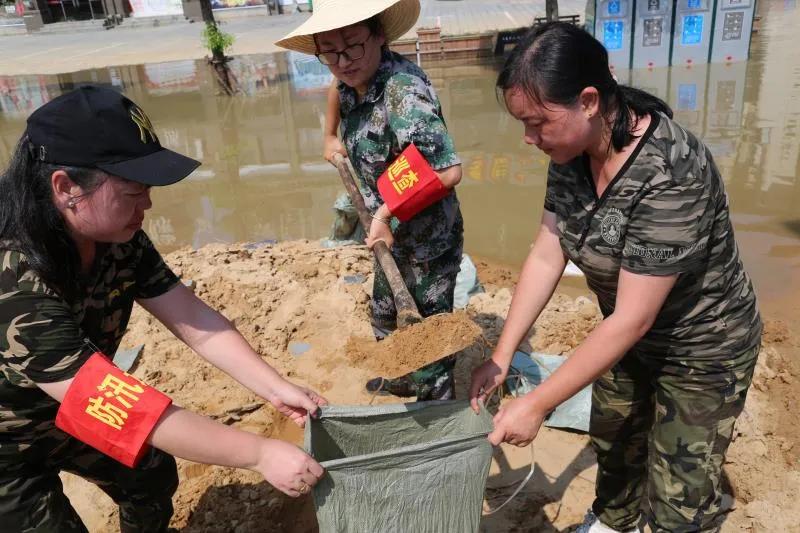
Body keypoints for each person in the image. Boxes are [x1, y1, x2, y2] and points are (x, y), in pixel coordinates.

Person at [468, 23, 762, 533]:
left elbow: (631, 318)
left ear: (588, 101)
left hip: (702, 349)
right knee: (615, 439)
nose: (528, 138)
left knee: (679, 501)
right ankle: (613, 520)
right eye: (523, 124)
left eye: (538, 123)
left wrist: (537, 403)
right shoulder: (571, 152)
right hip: (629, 340)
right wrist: (500, 356)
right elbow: (547, 252)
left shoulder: (670, 172)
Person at [0, 85, 326, 533]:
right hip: (7, 450)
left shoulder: (117, 238)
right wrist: (259, 453)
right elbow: (113, 401)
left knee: (150, 475)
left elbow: (195, 322)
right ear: (66, 188)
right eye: (133, 192)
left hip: (69, 416)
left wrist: (275, 387)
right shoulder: (14, 279)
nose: (147, 205)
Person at [276, 0, 465, 401]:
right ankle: (400, 374)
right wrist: (330, 134)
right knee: (384, 314)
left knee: (429, 336)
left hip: (427, 238)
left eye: (353, 46)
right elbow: (337, 86)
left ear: (379, 35)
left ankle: (437, 407)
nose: (343, 61)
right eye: (330, 51)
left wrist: (382, 213)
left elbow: (445, 170)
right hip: (386, 230)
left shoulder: (402, 93)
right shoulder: (349, 75)